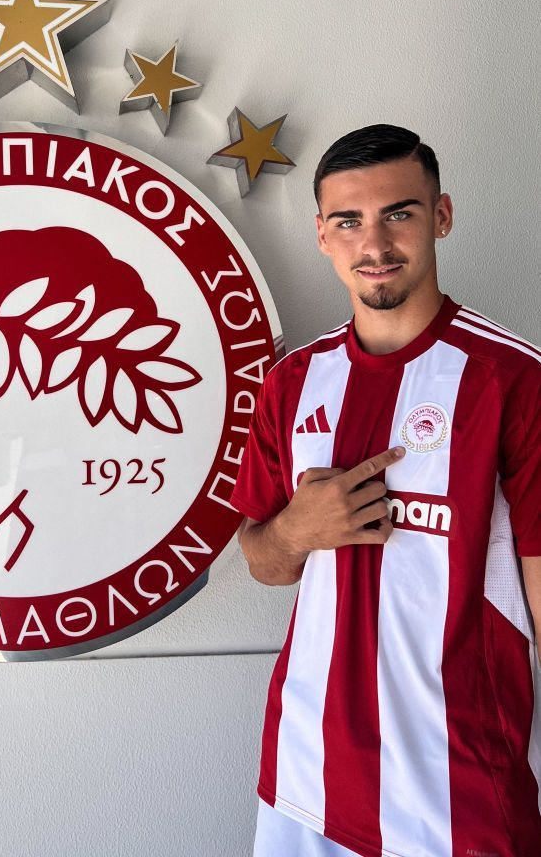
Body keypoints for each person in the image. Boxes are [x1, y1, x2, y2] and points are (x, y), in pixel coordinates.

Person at [230, 124, 541, 857]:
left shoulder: (513, 382)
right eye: (348, 221)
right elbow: (263, 561)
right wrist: (296, 530)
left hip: (459, 790)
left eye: (398, 213)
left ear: (441, 216)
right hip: (306, 777)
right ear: (322, 235)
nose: (374, 243)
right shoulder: (293, 382)